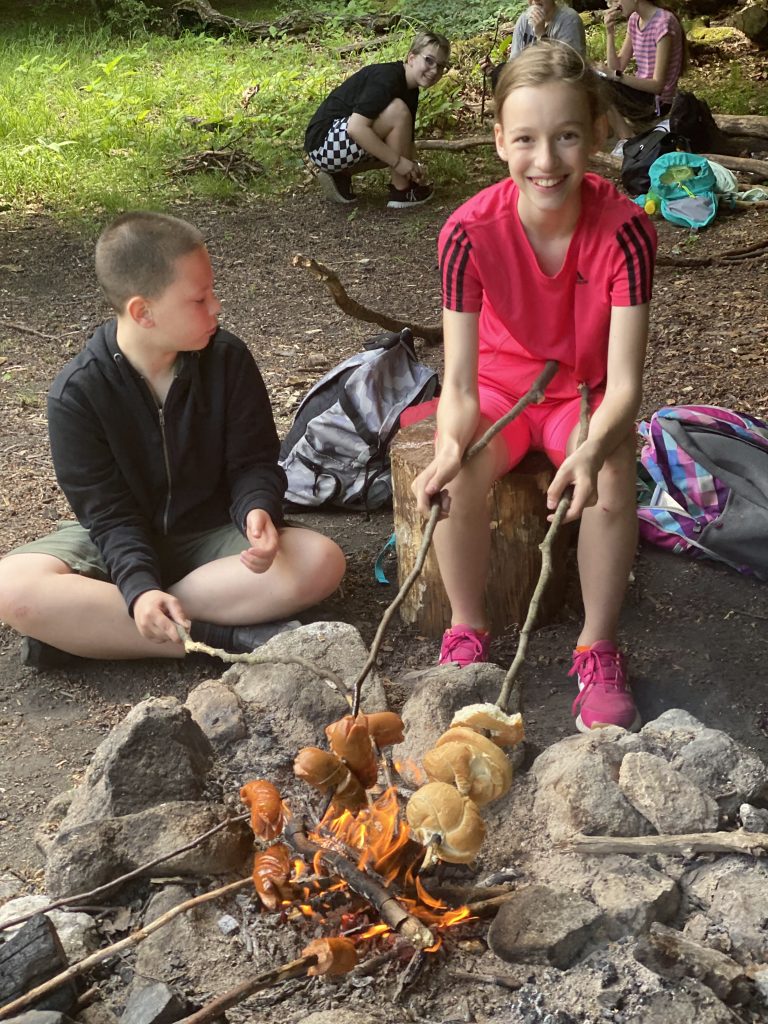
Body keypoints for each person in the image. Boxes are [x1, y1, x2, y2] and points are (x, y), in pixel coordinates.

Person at [412, 42, 657, 733]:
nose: (546, 161)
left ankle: (597, 645)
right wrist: (451, 442)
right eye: (526, 139)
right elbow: (457, 381)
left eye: (567, 136)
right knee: (458, 471)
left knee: (609, 469)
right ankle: (467, 633)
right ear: (499, 142)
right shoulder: (466, 233)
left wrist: (590, 449)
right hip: (498, 388)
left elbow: (626, 386)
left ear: (597, 136)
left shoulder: (627, 233)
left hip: (580, 395)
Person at [0, 212, 346, 669]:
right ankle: (222, 636)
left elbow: (254, 463)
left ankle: (95, 628)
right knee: (14, 588)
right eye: (200, 299)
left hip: (215, 538)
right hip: (119, 541)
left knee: (321, 560)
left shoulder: (226, 360)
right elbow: (107, 515)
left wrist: (256, 508)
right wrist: (139, 586)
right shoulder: (78, 393)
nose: (217, 307)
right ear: (144, 312)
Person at [304, 30, 450, 209]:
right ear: (411, 58)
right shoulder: (387, 78)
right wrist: (399, 163)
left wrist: (414, 167)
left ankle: (341, 174)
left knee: (398, 143)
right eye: (429, 60)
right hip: (324, 143)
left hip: (337, 146)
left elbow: (407, 141)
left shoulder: (411, 90)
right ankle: (402, 192)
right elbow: (355, 128)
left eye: (441, 66)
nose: (435, 70)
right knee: (397, 110)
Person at [601, 0, 686, 139]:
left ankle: (626, 138)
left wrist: (615, 75)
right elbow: (617, 67)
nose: (613, 4)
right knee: (593, 80)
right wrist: (610, 32)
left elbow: (657, 85)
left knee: (600, 86)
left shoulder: (663, 23)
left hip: (658, 103)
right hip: (641, 95)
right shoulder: (635, 20)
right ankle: (621, 135)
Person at [483, 2, 586, 90]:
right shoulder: (524, 20)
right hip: (530, 81)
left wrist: (541, 34)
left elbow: (568, 70)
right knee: (501, 73)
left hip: (559, 88)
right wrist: (494, 72)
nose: (535, 1)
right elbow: (514, 65)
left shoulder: (569, 20)